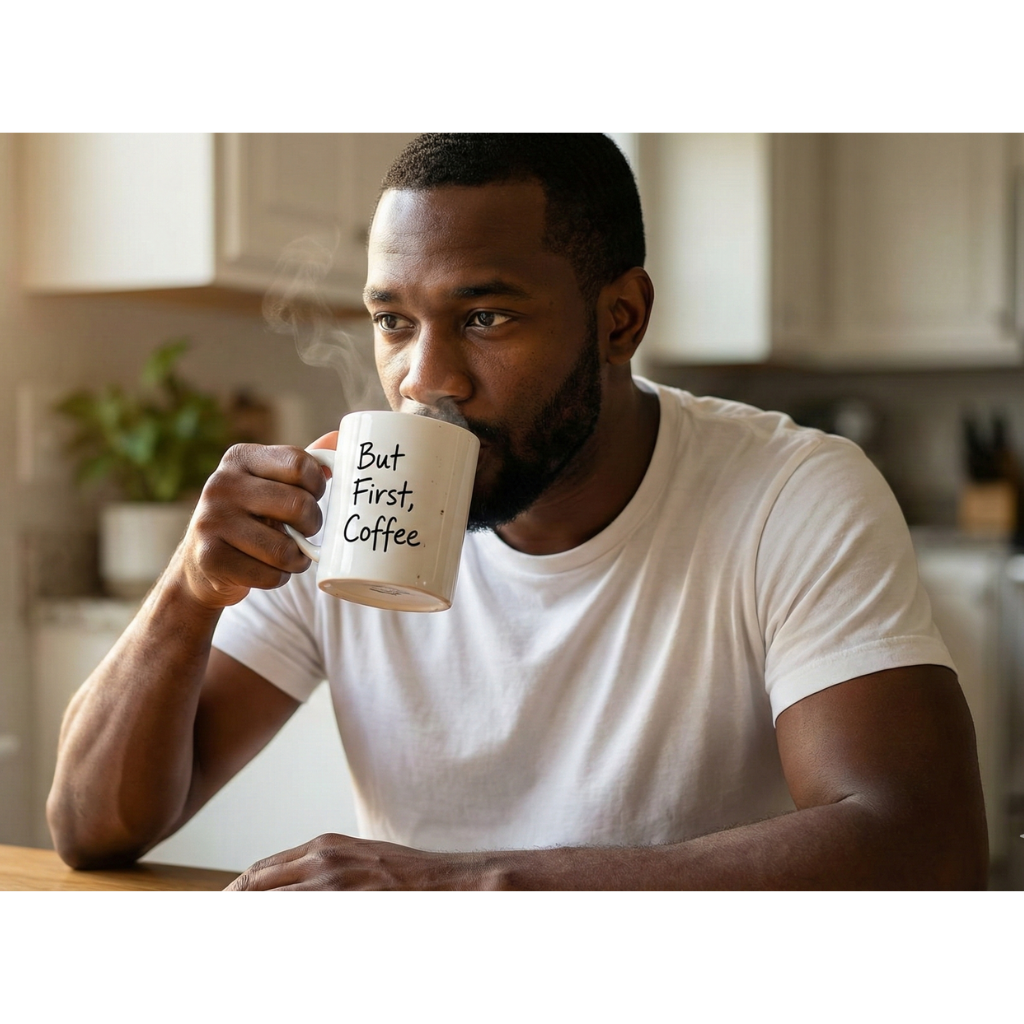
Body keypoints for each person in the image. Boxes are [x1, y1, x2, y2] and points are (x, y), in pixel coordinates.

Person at [47, 134, 988, 889]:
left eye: (485, 318)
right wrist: (187, 591)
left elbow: (925, 848)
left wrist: (469, 888)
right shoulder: (351, 506)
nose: (426, 380)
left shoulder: (791, 492)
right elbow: (92, 829)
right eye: (393, 321)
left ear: (621, 319)